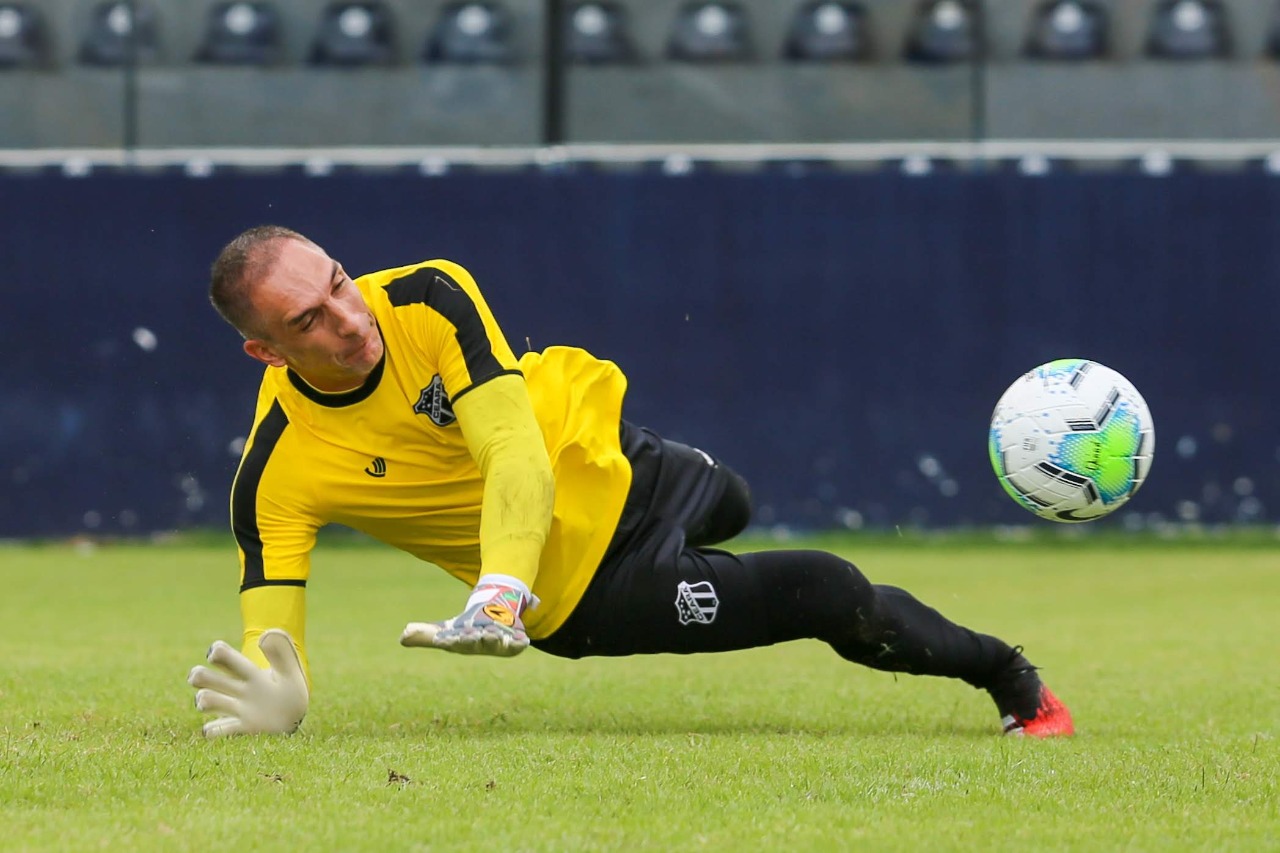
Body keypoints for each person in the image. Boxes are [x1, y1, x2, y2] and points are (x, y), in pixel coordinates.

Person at [187, 225, 1074, 740]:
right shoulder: (275, 472)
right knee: (824, 587)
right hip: (589, 590)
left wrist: (492, 592)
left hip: (618, 458)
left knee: (736, 501)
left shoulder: (424, 294)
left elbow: (513, 450)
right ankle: (1014, 681)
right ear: (264, 350)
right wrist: (283, 693)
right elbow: (272, 631)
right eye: (311, 319)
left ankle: (704, 532)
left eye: (339, 283)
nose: (351, 318)